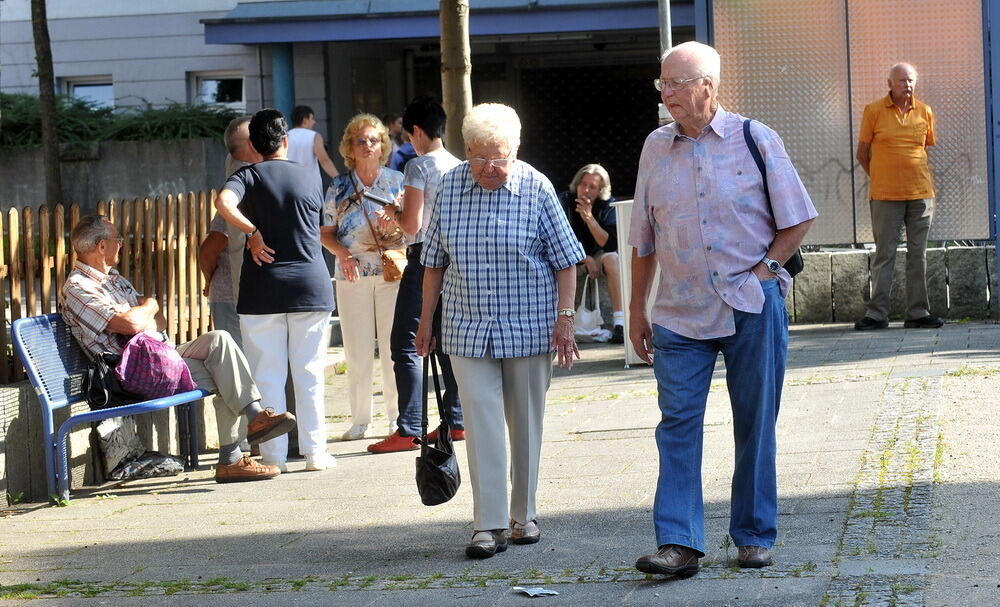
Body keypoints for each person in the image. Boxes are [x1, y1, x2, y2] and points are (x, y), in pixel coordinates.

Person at [629, 42, 817, 576]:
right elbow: (643, 238)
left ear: (708, 86)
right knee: (677, 423)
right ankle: (679, 544)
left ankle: (753, 534)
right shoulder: (654, 148)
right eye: (661, 84)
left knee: (755, 420)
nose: (667, 95)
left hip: (750, 306)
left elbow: (797, 218)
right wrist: (638, 311)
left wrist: (766, 272)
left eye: (676, 84)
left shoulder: (756, 138)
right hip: (678, 312)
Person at [416, 103, 585, 559]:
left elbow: (567, 260)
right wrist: (425, 323)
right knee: (481, 423)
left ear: (516, 149)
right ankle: (487, 524)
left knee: (525, 422)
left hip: (529, 325)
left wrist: (565, 319)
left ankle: (523, 514)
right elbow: (433, 264)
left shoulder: (537, 187)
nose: (490, 167)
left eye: (500, 157)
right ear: (465, 150)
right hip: (467, 326)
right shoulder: (449, 187)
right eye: (479, 157)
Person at [60, 215, 297, 483]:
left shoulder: (112, 279)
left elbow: (158, 323)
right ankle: (233, 455)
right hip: (127, 374)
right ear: (102, 246)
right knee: (223, 371)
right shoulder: (78, 288)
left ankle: (253, 421)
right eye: (118, 240)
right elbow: (131, 323)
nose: (121, 245)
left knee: (220, 340)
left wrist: (145, 313)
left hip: (156, 356)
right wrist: (149, 304)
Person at [215, 108, 337, 473]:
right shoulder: (310, 178)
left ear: (253, 144)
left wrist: (251, 233)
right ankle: (316, 453)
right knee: (309, 373)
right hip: (310, 286)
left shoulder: (246, 176)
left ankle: (274, 458)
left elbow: (222, 203)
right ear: (285, 141)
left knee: (267, 375)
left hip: (261, 289)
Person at [367, 96, 464, 454]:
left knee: (406, 342)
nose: (410, 142)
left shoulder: (418, 167)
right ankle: (456, 420)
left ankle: (409, 426)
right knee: (448, 340)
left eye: (410, 136)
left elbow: (412, 225)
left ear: (418, 131)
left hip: (424, 259)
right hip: (456, 260)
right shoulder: (459, 165)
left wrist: (394, 211)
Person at [323, 114, 406, 441]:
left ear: (383, 145)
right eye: (361, 141)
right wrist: (342, 254)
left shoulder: (397, 181)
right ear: (350, 148)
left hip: (390, 272)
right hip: (351, 273)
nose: (368, 145)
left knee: (393, 349)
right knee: (356, 350)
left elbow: (411, 229)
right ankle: (360, 420)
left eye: (374, 140)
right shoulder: (339, 186)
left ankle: (397, 418)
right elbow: (326, 233)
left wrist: (393, 225)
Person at [854, 63, 942, 331]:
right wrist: (881, 177)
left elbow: (925, 148)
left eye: (912, 80)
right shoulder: (874, 111)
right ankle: (877, 314)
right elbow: (862, 153)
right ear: (889, 83)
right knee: (885, 254)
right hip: (885, 196)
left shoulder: (924, 111)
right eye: (902, 80)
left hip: (921, 195)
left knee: (919, 255)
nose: (908, 85)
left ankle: (917, 313)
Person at [199, 116, 263, 349]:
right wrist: (210, 280)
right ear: (251, 146)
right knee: (239, 365)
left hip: (248, 295)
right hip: (229, 295)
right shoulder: (238, 192)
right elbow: (210, 248)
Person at [558, 164, 624, 343]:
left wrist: (589, 218)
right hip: (569, 257)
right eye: (583, 184)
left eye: (592, 187)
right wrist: (584, 258)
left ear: (601, 190)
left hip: (597, 256)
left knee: (612, 258)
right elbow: (556, 239)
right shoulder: (563, 201)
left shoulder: (608, 205)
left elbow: (608, 244)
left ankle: (620, 323)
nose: (585, 190)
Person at [287, 105, 340, 194]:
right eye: (312, 119)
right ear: (305, 120)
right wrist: (339, 180)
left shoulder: (285, 137)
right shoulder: (314, 136)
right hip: (309, 188)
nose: (314, 122)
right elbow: (324, 160)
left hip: (288, 186)